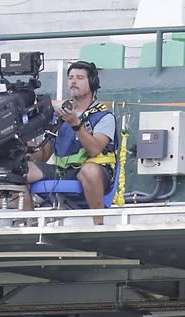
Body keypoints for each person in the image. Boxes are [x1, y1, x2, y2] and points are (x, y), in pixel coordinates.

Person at [24, 60, 117, 224]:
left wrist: (76, 124)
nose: (73, 81)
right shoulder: (59, 115)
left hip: (95, 171)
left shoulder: (104, 116)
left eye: (80, 77)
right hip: (61, 171)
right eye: (71, 77)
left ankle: (99, 224)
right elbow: (45, 153)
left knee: (89, 170)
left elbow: (95, 149)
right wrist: (26, 151)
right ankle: (30, 223)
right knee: (18, 169)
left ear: (92, 83)